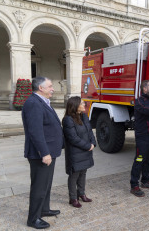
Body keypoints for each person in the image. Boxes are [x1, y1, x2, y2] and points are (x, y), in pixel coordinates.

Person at [22, 77, 63, 229]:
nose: (53, 88)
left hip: (49, 151)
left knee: (46, 184)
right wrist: (44, 153)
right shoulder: (33, 103)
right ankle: (33, 219)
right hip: (41, 154)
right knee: (39, 187)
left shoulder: (42, 101)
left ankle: (44, 209)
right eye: (50, 86)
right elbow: (36, 131)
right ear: (41, 88)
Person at [62, 96, 96, 208]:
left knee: (83, 173)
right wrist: (87, 146)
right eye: (82, 103)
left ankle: (81, 194)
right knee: (74, 175)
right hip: (75, 152)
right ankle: (73, 198)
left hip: (86, 150)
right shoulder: (68, 119)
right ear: (75, 106)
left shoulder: (84, 116)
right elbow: (73, 138)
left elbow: (90, 131)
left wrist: (93, 143)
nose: (84, 105)